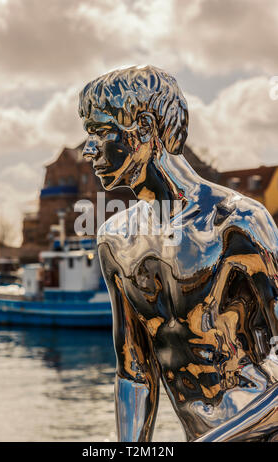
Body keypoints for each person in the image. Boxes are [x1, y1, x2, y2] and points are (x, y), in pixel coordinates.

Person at [78, 65, 278, 442]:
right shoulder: (114, 240)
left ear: (146, 128)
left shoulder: (239, 222)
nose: (88, 149)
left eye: (101, 132)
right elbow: (134, 372)